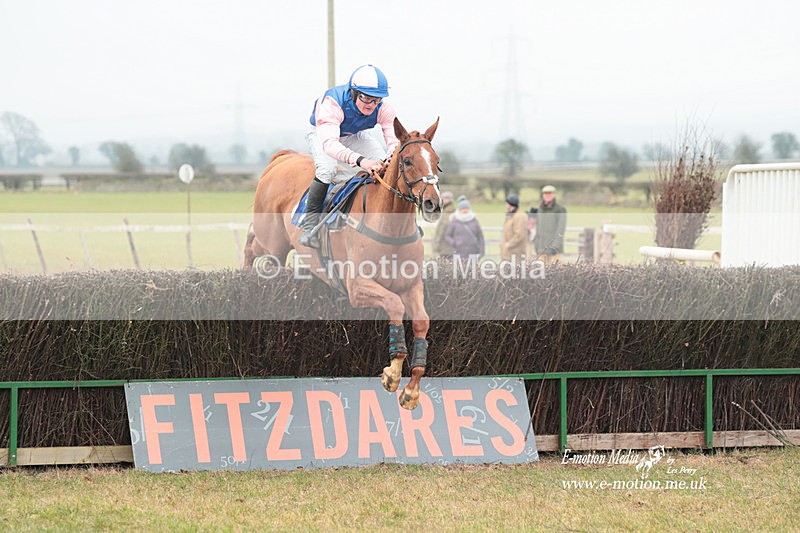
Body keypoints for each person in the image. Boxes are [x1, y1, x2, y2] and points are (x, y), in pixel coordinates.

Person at [300, 64, 399, 248]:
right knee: (327, 169)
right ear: (353, 93)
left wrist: (389, 158)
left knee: (384, 167)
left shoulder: (385, 109)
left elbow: (393, 142)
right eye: (366, 98)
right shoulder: (332, 102)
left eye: (376, 100)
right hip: (322, 134)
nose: (371, 105)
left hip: (353, 135)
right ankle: (310, 225)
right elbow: (330, 144)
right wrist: (362, 161)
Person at [534, 185, 567, 264]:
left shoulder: (560, 209)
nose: (547, 196)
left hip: (555, 250)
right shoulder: (540, 209)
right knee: (541, 273)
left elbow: (560, 229)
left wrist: (555, 246)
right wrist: (537, 245)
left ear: (554, 195)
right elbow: (538, 228)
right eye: (545, 194)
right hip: (542, 249)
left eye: (550, 193)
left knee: (557, 273)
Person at [445, 198, 485, 263]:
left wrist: (482, 251)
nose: (465, 210)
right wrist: (454, 243)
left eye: (466, 208)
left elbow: (480, 237)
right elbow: (447, 236)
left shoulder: (474, 221)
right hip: (459, 253)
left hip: (473, 252)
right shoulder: (454, 221)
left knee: (472, 271)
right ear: (459, 210)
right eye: (463, 209)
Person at [500, 194, 529, 262]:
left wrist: (509, 244)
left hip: (516, 254)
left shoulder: (520, 216)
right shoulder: (510, 216)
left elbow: (519, 235)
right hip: (507, 254)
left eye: (510, 205)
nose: (508, 206)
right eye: (507, 204)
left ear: (515, 205)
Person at [431, 191, 455, 257]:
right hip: (447, 246)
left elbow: (442, 229)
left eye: (444, 198)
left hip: (444, 247)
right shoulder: (447, 210)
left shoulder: (448, 212)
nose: (442, 200)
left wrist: (436, 245)